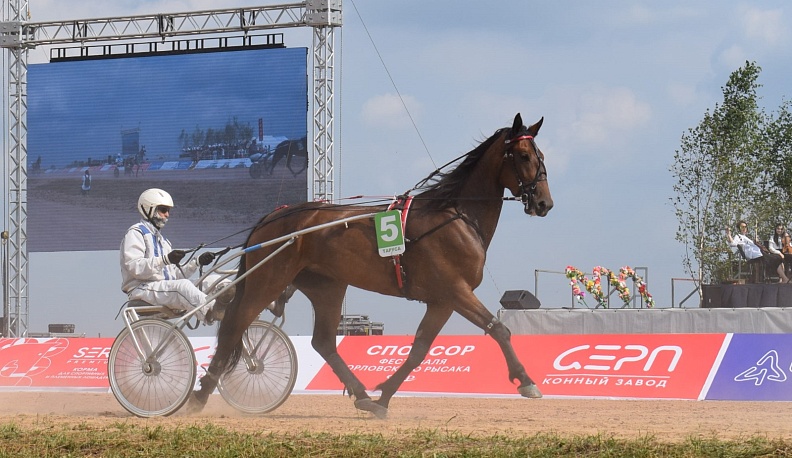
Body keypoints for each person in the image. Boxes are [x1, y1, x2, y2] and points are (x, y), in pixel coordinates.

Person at [120, 188, 219, 323]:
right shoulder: (136, 233)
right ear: (149, 209)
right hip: (142, 290)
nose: (167, 215)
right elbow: (135, 267)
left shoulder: (164, 242)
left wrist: (197, 262)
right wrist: (165, 260)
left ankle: (238, 308)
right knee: (183, 287)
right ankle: (216, 314)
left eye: (168, 211)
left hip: (163, 289)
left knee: (214, 281)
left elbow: (174, 277)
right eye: (163, 210)